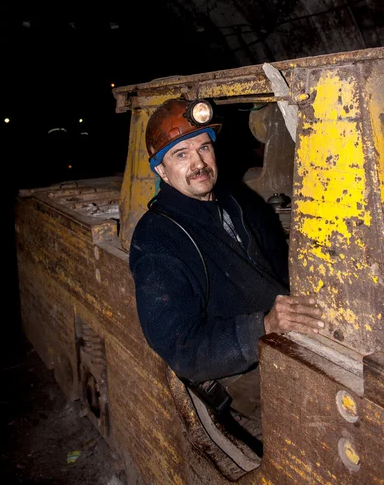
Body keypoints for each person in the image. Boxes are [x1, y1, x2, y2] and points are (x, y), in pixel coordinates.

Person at [129, 98, 324, 441]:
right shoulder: (157, 239)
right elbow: (182, 347)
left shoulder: (233, 202)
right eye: (181, 155)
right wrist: (264, 326)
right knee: (321, 420)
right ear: (161, 170)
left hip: (278, 337)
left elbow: (279, 266)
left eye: (204, 148)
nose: (199, 163)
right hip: (238, 370)